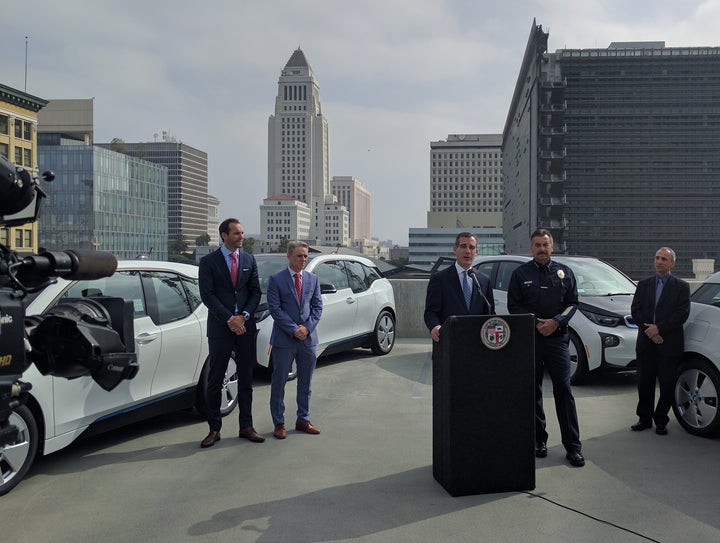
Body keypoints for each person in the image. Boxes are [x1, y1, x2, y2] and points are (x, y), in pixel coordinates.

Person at [507, 229, 585, 467]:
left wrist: (556, 322)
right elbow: (513, 306)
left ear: (552, 247)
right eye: (537, 245)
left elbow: (573, 304)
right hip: (530, 339)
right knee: (533, 391)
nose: (542, 249)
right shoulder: (521, 273)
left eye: (546, 244)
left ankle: (573, 447)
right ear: (531, 248)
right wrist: (535, 322)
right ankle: (538, 439)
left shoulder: (565, 273)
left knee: (564, 390)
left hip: (557, 340)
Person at [198, 218, 264, 447]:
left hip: (245, 327)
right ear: (224, 235)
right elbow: (207, 295)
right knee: (215, 379)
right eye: (236, 233)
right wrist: (229, 318)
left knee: (246, 378)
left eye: (242, 233)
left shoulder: (248, 259)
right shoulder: (208, 262)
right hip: (220, 327)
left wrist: (243, 316)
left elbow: (255, 292)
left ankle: (246, 426)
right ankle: (214, 429)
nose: (241, 237)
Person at [630, 247, 690, 435]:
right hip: (647, 342)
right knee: (645, 382)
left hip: (669, 343)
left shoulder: (681, 286)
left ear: (672, 263)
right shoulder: (644, 284)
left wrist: (659, 328)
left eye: (664, 259)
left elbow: (682, 313)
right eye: (657, 258)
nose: (659, 261)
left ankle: (661, 419)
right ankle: (644, 418)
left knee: (667, 385)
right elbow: (635, 310)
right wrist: (650, 331)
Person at [267, 241, 324, 439]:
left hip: (308, 340)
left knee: (306, 382)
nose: (303, 260)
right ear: (289, 256)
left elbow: (317, 307)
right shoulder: (276, 280)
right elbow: (275, 309)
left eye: (305, 256)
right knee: (279, 381)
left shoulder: (313, 279)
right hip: (284, 340)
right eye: (299, 256)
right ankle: (279, 423)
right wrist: (294, 329)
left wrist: (306, 328)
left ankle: (303, 420)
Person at [424, 232, 495, 351]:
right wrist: (435, 327)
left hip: (478, 345)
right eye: (463, 246)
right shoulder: (440, 279)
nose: (467, 251)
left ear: (476, 252)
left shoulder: (484, 280)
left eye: (471, 247)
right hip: (449, 343)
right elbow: (431, 312)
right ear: (455, 249)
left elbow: (490, 312)